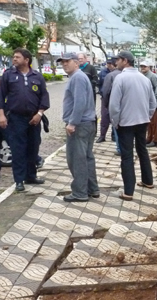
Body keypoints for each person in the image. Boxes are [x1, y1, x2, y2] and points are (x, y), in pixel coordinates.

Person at [0, 48, 50, 192]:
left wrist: (39, 114)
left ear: (26, 60)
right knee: (18, 149)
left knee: (33, 148)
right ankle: (19, 180)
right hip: (16, 118)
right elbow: (0, 96)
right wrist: (1, 115)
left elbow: (44, 97)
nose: (14, 59)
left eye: (17, 57)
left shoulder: (37, 76)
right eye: (13, 57)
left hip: (34, 118)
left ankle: (31, 176)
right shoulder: (8, 75)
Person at [109, 50, 157, 200]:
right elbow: (152, 103)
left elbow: (114, 106)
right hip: (142, 121)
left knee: (127, 156)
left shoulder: (120, 78)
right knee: (142, 150)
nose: (116, 62)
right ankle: (148, 181)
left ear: (125, 61)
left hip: (126, 123)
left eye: (118, 60)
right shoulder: (144, 79)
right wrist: (147, 116)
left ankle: (128, 192)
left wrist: (115, 122)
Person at [57, 52, 99, 202]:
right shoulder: (77, 77)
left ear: (76, 62)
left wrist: (72, 123)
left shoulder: (78, 78)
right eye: (62, 62)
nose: (64, 64)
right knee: (86, 158)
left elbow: (79, 102)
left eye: (67, 61)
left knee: (77, 159)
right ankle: (92, 189)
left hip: (80, 124)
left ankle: (80, 192)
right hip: (86, 123)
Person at [139, 61, 157, 147]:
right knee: (148, 123)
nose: (143, 68)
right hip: (145, 104)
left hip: (152, 104)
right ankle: (149, 138)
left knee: (154, 123)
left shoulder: (153, 76)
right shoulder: (142, 76)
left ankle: (155, 140)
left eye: (145, 66)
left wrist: (153, 102)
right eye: (142, 66)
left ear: (149, 67)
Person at [96, 59, 116, 143]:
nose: (109, 65)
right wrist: (101, 92)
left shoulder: (118, 73)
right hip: (104, 98)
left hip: (114, 98)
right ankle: (102, 136)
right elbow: (98, 84)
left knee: (114, 117)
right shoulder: (102, 72)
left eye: (111, 64)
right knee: (104, 118)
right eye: (108, 64)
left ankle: (114, 136)